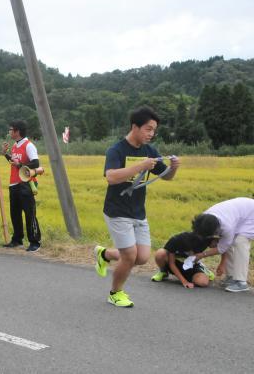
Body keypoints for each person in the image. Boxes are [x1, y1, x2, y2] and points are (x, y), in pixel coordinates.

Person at [94, 107, 180, 308]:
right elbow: (111, 177)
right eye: (148, 129)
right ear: (135, 126)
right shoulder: (116, 150)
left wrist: (174, 167)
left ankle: (105, 254)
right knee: (129, 256)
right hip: (117, 211)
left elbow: (165, 176)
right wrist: (140, 166)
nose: (151, 134)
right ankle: (115, 293)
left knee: (141, 258)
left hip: (138, 212)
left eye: (153, 130)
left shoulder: (149, 151)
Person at [191, 198, 254, 292]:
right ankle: (231, 276)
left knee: (240, 241)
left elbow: (222, 248)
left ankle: (241, 282)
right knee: (230, 242)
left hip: (251, 215)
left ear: (215, 230)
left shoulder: (226, 227)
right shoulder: (203, 219)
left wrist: (202, 255)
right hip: (241, 211)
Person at [1, 120, 41, 252]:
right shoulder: (15, 145)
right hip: (14, 182)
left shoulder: (29, 146)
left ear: (17, 131)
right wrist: (5, 154)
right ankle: (17, 239)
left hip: (26, 183)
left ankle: (35, 242)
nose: (9, 132)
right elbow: (14, 162)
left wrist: (20, 165)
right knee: (15, 213)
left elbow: (35, 163)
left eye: (11, 130)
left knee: (30, 213)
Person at [151, 222, 219, 289]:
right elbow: (172, 264)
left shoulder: (202, 240)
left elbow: (217, 245)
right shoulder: (175, 241)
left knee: (203, 282)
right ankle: (163, 272)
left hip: (190, 264)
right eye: (189, 250)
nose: (190, 251)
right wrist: (184, 281)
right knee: (160, 253)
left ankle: (203, 269)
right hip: (175, 263)